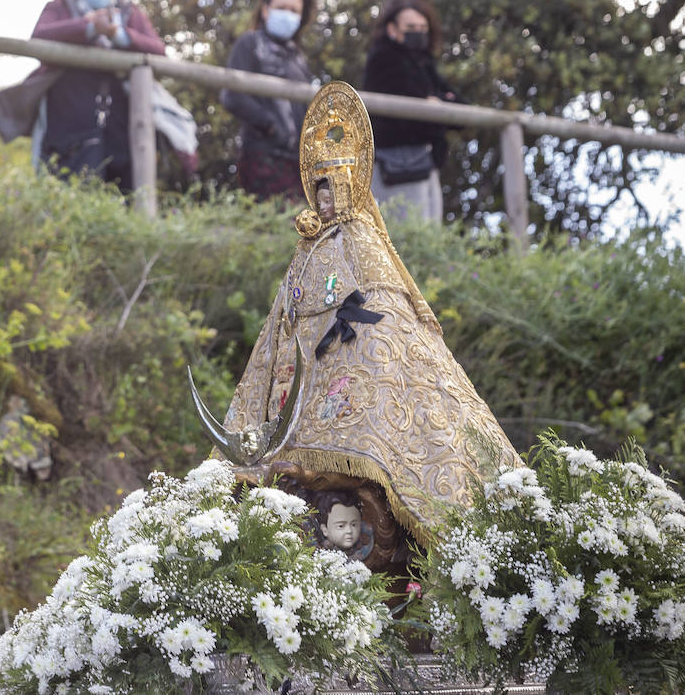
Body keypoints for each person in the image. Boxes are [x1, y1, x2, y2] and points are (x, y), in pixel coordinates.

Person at [201, 82, 517, 557]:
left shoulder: (360, 236)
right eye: (319, 191)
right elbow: (288, 304)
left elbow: (380, 301)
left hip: (353, 351)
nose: (325, 202)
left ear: (350, 189)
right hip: (304, 360)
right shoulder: (308, 244)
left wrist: (349, 324)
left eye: (334, 191)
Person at [27, 0, 168, 187]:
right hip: (67, 120)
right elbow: (39, 38)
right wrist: (88, 27)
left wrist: (120, 35)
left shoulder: (128, 13)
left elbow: (158, 50)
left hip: (120, 123)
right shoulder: (61, 5)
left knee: (122, 192)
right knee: (66, 189)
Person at [361, 0, 465, 222]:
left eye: (422, 27)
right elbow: (407, 119)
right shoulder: (383, 60)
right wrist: (436, 108)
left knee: (428, 240)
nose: (417, 32)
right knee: (405, 241)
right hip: (395, 166)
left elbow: (460, 111)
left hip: (424, 162)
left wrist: (437, 105)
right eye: (410, 26)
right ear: (392, 29)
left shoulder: (423, 62)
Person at [220, 0, 315, 201]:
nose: (288, 14)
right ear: (265, 10)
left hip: (300, 163)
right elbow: (231, 95)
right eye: (282, 8)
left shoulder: (298, 58)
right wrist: (270, 124)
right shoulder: (250, 44)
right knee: (275, 227)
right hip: (263, 155)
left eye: (294, 10)